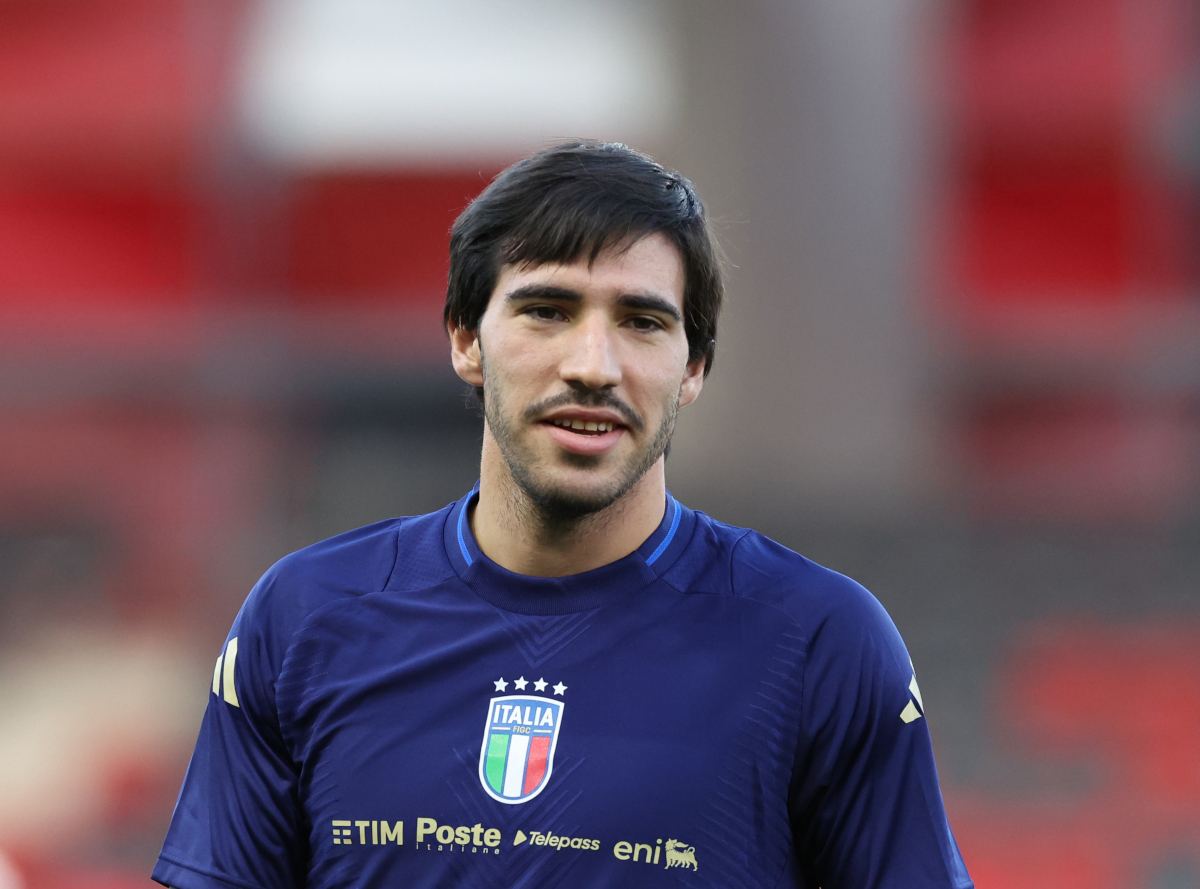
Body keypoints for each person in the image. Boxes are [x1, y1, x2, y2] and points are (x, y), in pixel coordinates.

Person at [153, 141, 973, 889]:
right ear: (465, 338)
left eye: (642, 321)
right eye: (547, 310)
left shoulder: (820, 643)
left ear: (693, 369)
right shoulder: (305, 618)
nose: (593, 365)